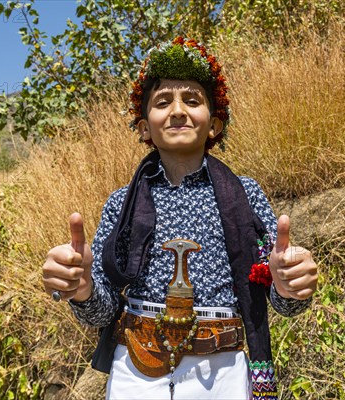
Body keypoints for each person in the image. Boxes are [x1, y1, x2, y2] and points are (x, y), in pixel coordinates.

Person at [42, 37, 318, 400]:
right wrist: (82, 289)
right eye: (162, 102)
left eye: (192, 100)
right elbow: (103, 311)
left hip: (222, 375)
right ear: (144, 128)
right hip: (135, 373)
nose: (177, 111)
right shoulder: (122, 204)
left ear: (215, 124)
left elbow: (278, 300)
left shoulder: (246, 195)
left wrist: (288, 285)